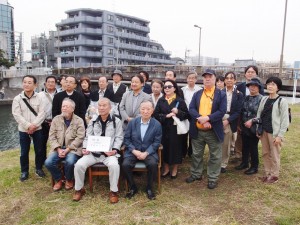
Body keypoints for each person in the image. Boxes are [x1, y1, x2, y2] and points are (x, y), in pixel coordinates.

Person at [73, 98, 123, 203]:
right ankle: (79, 189)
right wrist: (85, 148)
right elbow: (87, 137)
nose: (101, 107)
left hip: (109, 154)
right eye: (99, 105)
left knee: (114, 166)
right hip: (93, 154)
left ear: (110, 107)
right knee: (79, 165)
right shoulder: (93, 120)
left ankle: (113, 192)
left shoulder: (116, 121)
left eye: (104, 105)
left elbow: (119, 138)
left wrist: (114, 150)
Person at [185, 69, 226, 189]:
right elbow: (191, 109)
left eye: (210, 77)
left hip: (213, 131)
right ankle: (196, 173)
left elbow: (221, 111)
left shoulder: (221, 94)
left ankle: (213, 177)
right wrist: (199, 118)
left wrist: (208, 118)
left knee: (215, 155)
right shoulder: (197, 94)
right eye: (205, 77)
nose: (207, 79)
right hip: (198, 130)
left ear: (214, 79)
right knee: (196, 154)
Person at [122, 101, 162, 200]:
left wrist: (146, 153)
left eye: (148, 109)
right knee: (125, 165)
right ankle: (132, 187)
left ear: (152, 110)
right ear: (140, 110)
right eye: (143, 109)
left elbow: (157, 142)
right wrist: (134, 151)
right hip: (134, 151)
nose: (145, 111)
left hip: (149, 152)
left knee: (153, 164)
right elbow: (126, 139)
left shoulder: (157, 124)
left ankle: (149, 188)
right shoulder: (132, 123)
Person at [45, 98, 85, 191]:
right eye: (63, 106)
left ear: (72, 109)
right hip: (58, 148)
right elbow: (52, 136)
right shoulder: (56, 119)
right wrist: (58, 149)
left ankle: (69, 179)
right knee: (48, 162)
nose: (64, 108)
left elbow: (80, 138)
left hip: (73, 149)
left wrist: (67, 149)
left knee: (70, 162)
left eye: (67, 106)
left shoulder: (79, 120)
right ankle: (59, 179)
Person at [12, 75, 46, 181]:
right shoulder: (17, 99)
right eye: (25, 82)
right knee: (24, 151)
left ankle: (39, 168)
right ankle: (24, 171)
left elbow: (42, 113)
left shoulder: (40, 97)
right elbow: (17, 115)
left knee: (39, 149)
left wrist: (34, 125)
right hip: (23, 129)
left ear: (35, 85)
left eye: (29, 82)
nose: (26, 84)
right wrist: (28, 126)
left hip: (38, 128)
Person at [255, 77, 289, 183]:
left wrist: (280, 135)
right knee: (265, 152)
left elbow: (285, 120)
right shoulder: (264, 99)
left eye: (273, 84)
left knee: (274, 154)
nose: (270, 86)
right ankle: (267, 173)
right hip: (264, 130)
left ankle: (274, 175)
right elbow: (259, 115)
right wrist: (258, 129)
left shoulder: (282, 101)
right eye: (268, 84)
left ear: (278, 87)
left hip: (274, 132)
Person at [154, 79, 189, 179]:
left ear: (174, 88)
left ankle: (174, 168)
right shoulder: (161, 100)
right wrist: (166, 116)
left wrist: (178, 112)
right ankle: (166, 168)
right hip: (163, 128)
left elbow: (187, 115)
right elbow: (156, 115)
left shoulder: (180, 101)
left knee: (176, 148)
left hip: (176, 129)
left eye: (169, 87)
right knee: (164, 148)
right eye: (165, 87)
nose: (167, 89)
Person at [233, 65, 264, 163]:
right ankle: (242, 159)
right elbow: (239, 107)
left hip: (255, 123)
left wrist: (254, 121)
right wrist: (239, 122)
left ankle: (253, 163)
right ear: (245, 74)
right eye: (248, 72)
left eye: (252, 72)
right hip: (243, 121)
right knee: (242, 141)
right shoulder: (241, 89)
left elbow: (261, 111)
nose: (250, 73)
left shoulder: (261, 96)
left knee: (253, 144)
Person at [220, 72, 243, 173]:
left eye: (231, 78)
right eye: (227, 78)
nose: (229, 80)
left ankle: (223, 164)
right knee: (216, 142)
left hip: (230, 119)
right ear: (224, 80)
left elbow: (238, 111)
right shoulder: (219, 92)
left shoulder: (239, 94)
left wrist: (228, 120)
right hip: (218, 117)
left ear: (235, 81)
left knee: (226, 144)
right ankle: (215, 161)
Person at [38, 75, 59, 164]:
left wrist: (54, 120)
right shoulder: (39, 95)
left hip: (57, 122)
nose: (50, 84)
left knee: (58, 142)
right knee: (42, 143)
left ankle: (56, 161)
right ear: (45, 84)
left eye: (52, 82)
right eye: (48, 82)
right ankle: (42, 162)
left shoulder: (60, 94)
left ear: (56, 84)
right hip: (43, 122)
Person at [181, 71, 202, 157]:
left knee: (193, 134)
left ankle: (191, 152)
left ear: (196, 79)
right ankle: (183, 152)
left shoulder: (200, 90)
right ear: (186, 79)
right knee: (183, 133)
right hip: (185, 114)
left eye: (193, 78)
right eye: (189, 78)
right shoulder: (182, 90)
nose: (191, 80)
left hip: (195, 114)